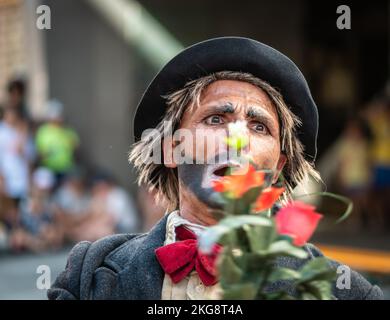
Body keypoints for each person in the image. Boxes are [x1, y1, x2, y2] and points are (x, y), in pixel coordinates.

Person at [48, 37, 383, 300]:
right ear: (171, 148)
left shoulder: (341, 290)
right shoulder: (88, 276)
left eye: (259, 127)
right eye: (215, 119)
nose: (236, 141)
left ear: (278, 169)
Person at [35, 99, 80, 185]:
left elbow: (76, 148)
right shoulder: (43, 131)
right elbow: (40, 152)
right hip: (49, 169)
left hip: (66, 169)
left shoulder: (68, 131)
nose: (60, 118)